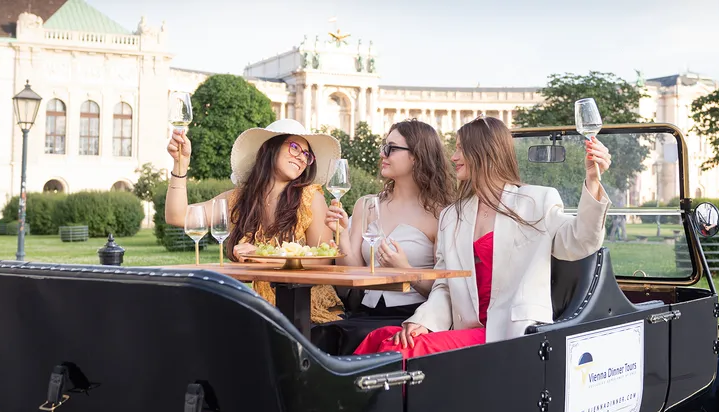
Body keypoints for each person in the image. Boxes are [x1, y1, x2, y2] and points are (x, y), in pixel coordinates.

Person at [354, 116, 612, 359]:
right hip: (465, 327)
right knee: (381, 339)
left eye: (460, 149)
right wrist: (422, 321)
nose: (453, 157)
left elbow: (581, 241)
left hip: (511, 333)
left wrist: (592, 180)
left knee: (398, 350)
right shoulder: (452, 215)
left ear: (483, 152)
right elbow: (445, 285)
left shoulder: (537, 200)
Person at [164, 119, 349, 324]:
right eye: (295, 147)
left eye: (307, 154)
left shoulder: (311, 197)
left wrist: (263, 258)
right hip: (261, 309)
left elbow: (322, 259)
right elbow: (178, 216)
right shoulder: (239, 199)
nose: (301, 158)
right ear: (270, 148)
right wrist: (180, 165)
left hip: (306, 310)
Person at [311, 119, 456, 354]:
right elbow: (351, 274)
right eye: (383, 147)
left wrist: (406, 271)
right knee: (316, 338)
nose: (382, 154)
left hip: (412, 318)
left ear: (417, 156)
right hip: (364, 313)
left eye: (391, 148)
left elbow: (447, 288)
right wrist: (342, 237)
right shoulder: (367, 205)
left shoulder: (441, 213)